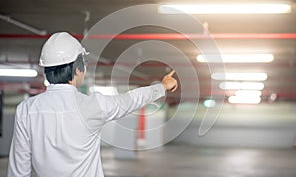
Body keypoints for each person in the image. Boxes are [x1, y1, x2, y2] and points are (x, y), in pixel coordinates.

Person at [7, 32, 178, 177]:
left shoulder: (26, 110)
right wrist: (162, 87)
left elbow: (18, 169)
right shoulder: (94, 105)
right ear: (77, 69)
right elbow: (131, 100)